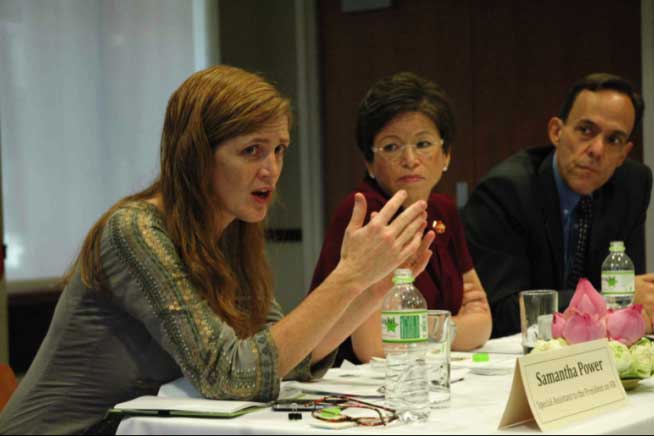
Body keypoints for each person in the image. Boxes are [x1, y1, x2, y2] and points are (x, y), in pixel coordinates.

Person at [0, 65, 432, 434]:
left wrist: (372, 288)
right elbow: (229, 375)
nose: (272, 169)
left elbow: (283, 361)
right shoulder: (135, 231)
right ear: (195, 157)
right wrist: (347, 276)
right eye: (251, 151)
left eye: (279, 149)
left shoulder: (230, 233)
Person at [310, 72, 492, 365]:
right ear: (369, 162)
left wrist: (428, 335)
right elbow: (374, 348)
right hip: (357, 386)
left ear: (446, 155)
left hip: (427, 373)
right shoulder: (366, 213)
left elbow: (483, 322)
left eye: (423, 144)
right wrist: (452, 328)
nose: (410, 159)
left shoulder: (443, 211)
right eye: (392, 147)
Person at [462, 73, 654, 338]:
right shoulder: (506, 191)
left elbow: (631, 299)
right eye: (586, 130)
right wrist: (606, 296)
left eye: (614, 140)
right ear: (556, 131)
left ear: (624, 153)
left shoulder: (632, 185)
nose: (597, 150)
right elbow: (501, 311)